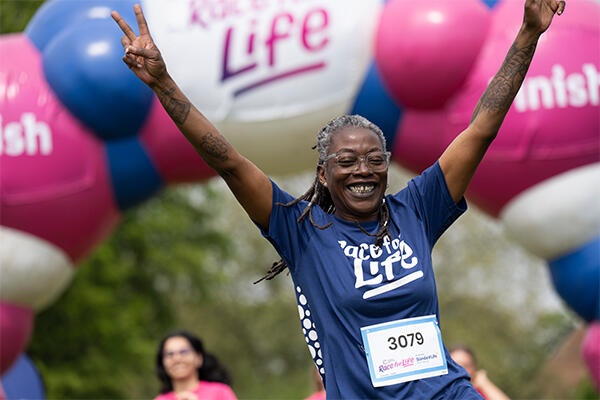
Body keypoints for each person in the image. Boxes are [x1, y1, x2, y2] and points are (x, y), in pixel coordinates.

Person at [112, 1, 565, 398]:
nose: (363, 170)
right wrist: (163, 84)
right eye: (346, 161)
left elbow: (480, 129)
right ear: (323, 175)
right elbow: (229, 162)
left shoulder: (419, 208)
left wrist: (527, 34)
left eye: (374, 158)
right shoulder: (302, 230)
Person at [155, 330, 236, 400]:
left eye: (183, 352)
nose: (177, 359)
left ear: (198, 358)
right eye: (170, 354)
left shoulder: (220, 393)